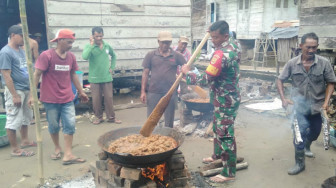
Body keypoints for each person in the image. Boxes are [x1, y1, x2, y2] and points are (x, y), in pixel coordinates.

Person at [181, 20, 241, 183]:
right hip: (226, 96)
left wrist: (188, 73)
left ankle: (229, 171)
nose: (212, 40)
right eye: (211, 36)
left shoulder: (222, 54)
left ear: (225, 36)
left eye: (215, 37)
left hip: (226, 100)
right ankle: (217, 156)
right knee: (217, 127)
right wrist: (212, 31)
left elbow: (206, 78)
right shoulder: (234, 45)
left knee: (225, 134)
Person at [277, 32, 336, 175]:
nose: (311, 50)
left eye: (314, 47)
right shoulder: (292, 63)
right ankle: (300, 163)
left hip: (317, 107)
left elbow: (331, 82)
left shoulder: (324, 63)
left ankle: (307, 146)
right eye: (308, 47)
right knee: (299, 135)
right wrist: (284, 99)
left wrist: (326, 103)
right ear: (301, 46)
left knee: (315, 133)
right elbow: (280, 80)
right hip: (299, 106)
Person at [33, 29, 89, 164]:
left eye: (72, 42)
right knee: (53, 125)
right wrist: (32, 95)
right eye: (69, 42)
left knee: (69, 124)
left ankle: (68, 154)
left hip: (67, 97)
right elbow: (37, 74)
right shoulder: (47, 56)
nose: (71, 45)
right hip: (50, 98)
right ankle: (57, 147)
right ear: (59, 41)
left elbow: (73, 74)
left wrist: (81, 91)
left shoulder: (71, 57)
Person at [0, 25, 36, 157]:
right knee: (14, 119)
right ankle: (15, 149)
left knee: (26, 117)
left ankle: (25, 140)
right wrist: (14, 95)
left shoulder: (21, 50)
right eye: (22, 36)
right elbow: (6, 75)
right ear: (13, 35)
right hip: (16, 90)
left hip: (25, 88)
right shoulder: (5, 52)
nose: (24, 39)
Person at [140, 31, 186, 128]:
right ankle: (151, 137)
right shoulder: (151, 55)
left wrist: (185, 69)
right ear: (158, 42)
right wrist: (143, 91)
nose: (165, 45)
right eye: (163, 42)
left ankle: (167, 138)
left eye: (168, 42)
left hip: (170, 92)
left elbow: (187, 66)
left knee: (169, 120)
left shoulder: (176, 55)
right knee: (152, 119)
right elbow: (145, 73)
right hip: (154, 92)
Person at [82, 26, 121, 125]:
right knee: (96, 100)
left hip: (106, 77)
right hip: (94, 78)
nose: (98, 38)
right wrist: (91, 45)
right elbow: (85, 57)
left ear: (103, 35)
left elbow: (114, 56)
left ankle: (111, 117)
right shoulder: (89, 46)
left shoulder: (107, 45)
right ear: (92, 36)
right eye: (96, 36)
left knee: (109, 98)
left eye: (100, 36)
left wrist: (112, 67)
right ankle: (99, 117)